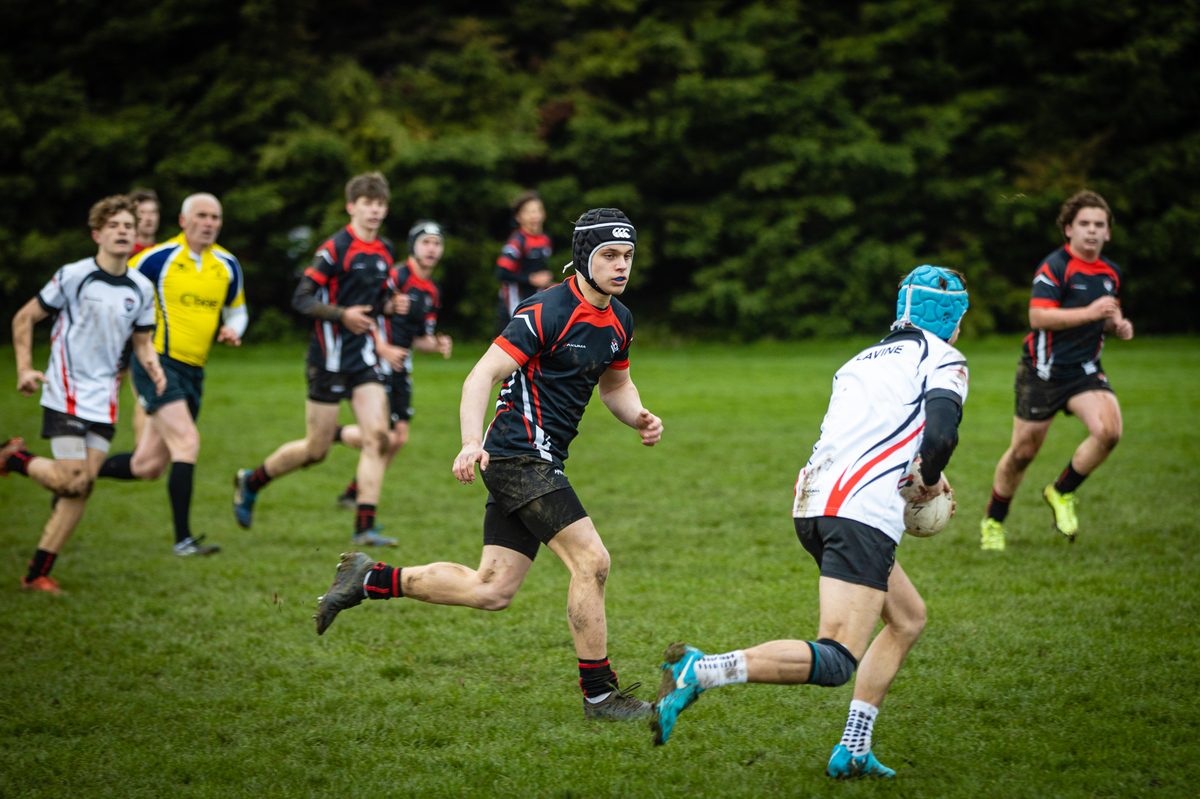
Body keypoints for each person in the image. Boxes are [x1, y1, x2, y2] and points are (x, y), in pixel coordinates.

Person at [314, 208, 664, 722]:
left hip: (536, 459)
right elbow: (480, 375)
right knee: (593, 561)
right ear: (584, 258)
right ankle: (600, 696)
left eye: (627, 256)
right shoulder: (546, 310)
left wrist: (638, 417)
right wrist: (468, 442)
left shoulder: (619, 319)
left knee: (491, 588)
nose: (621, 266)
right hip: (517, 455)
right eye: (609, 255)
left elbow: (615, 385)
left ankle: (368, 579)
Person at [651, 266, 970, 781]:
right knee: (838, 655)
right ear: (952, 318)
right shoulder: (944, 358)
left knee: (907, 618)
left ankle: (855, 747)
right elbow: (940, 435)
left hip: (813, 502)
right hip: (860, 513)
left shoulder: (859, 361)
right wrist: (930, 480)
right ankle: (702, 671)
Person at [2, 195, 166, 592]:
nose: (124, 231)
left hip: (104, 397)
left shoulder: (141, 288)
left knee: (81, 487)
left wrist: (155, 368)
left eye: (129, 225)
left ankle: (37, 572)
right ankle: (16, 457)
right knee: (72, 479)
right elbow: (25, 317)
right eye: (115, 226)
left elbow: (142, 342)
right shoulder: (75, 275)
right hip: (65, 391)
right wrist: (25, 368)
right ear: (97, 234)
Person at [232, 172, 401, 547]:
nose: (374, 211)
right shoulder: (335, 249)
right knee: (316, 450)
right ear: (351, 207)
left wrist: (391, 305)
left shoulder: (385, 250)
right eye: (366, 204)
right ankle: (252, 481)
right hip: (327, 359)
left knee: (379, 437)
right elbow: (301, 298)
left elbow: (379, 300)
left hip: (364, 360)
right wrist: (342, 315)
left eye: (379, 204)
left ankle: (364, 527)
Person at [979, 190, 1133, 551]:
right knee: (1023, 453)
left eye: (1099, 225)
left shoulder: (1112, 273)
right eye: (1084, 224)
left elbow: (1107, 313)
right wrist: (1092, 313)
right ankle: (993, 522)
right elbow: (1039, 316)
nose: (1092, 231)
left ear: (1108, 232)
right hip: (1042, 372)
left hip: (1085, 370)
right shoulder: (1055, 267)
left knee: (1109, 431)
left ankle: (1061, 492)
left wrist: (1118, 325)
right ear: (1068, 229)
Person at [96, 192, 248, 556]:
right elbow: (117, 296)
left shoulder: (226, 264)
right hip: (157, 363)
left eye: (215, 217)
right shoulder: (156, 259)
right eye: (202, 216)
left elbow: (237, 311)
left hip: (195, 371)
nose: (209, 223)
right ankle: (183, 540)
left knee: (147, 465)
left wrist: (234, 330)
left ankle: (76, 471)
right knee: (188, 442)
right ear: (183, 220)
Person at [333, 219, 453, 508]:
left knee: (398, 438)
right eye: (425, 242)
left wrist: (436, 344)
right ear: (413, 245)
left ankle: (354, 490)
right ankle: (333, 437)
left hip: (402, 367)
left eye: (437, 244)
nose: (431, 249)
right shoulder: (395, 276)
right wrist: (382, 346)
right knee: (383, 436)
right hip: (375, 362)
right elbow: (368, 312)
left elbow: (419, 339)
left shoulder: (431, 291)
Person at [495, 190, 553, 333]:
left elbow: (540, 270)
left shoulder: (545, 240)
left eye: (538, 210)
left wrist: (547, 281)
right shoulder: (516, 242)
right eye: (529, 212)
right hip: (514, 299)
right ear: (518, 217)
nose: (534, 216)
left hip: (536, 297)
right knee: (512, 340)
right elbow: (501, 273)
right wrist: (531, 279)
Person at [129, 188, 161, 255]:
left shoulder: (163, 253)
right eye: (143, 212)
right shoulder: (124, 253)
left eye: (153, 212)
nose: (149, 218)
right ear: (132, 216)